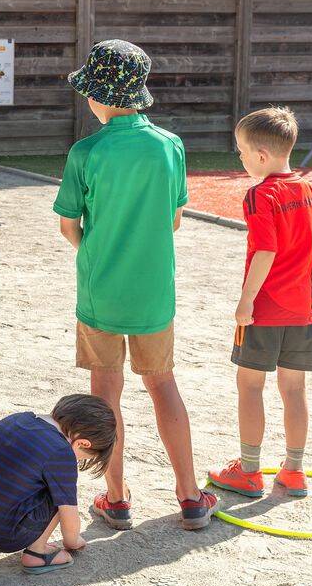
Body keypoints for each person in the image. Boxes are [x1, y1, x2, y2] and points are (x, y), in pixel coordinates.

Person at [53, 39, 218, 531]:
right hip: (153, 295)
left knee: (105, 396)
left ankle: (116, 496)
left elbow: (69, 226)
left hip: (101, 292)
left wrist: (95, 252)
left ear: (99, 95)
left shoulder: (86, 152)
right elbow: (175, 218)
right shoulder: (170, 146)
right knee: (163, 385)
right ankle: (190, 496)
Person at [208, 107, 312, 499]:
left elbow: (265, 250)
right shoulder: (310, 190)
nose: (241, 159)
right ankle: (294, 471)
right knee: (294, 390)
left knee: (249, 387)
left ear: (262, 156)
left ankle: (249, 470)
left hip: (265, 310)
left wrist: (245, 301)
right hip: (303, 312)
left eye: (242, 152)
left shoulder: (259, 195)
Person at [0, 394, 116, 573]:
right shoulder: (61, 451)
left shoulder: (16, 419)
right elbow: (68, 517)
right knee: (59, 491)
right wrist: (74, 541)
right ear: (82, 443)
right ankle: (37, 552)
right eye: (83, 458)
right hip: (6, 536)